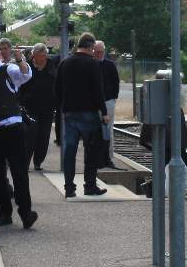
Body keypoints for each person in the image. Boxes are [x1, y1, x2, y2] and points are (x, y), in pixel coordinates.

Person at [0, 42, 38, 229]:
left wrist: (20, 59)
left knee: (19, 173)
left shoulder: (9, 69)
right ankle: (4, 212)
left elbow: (25, 75)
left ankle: (26, 212)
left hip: (13, 129)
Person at [55, 32, 108, 198]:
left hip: (69, 114)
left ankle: (69, 188)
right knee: (90, 151)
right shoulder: (92, 64)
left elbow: (56, 88)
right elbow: (98, 91)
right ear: (91, 46)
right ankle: (89, 186)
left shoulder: (65, 63)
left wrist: (62, 107)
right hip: (89, 113)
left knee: (69, 151)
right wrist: (104, 112)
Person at [17, 43, 57, 171]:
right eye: (38, 56)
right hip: (30, 107)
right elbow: (20, 85)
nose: (41, 59)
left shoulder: (52, 66)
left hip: (48, 107)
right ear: (33, 55)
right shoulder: (27, 66)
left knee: (44, 136)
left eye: (43, 56)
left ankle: (38, 161)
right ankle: (25, 161)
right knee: (30, 134)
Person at [92, 40, 121, 168]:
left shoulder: (110, 65)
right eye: (96, 52)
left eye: (100, 52)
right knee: (95, 131)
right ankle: (97, 157)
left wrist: (113, 98)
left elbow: (116, 82)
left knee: (108, 130)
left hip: (108, 101)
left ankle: (108, 157)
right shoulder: (91, 64)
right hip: (93, 103)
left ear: (104, 51)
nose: (98, 54)